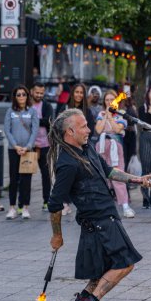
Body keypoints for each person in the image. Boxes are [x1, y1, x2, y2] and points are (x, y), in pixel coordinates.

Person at [47, 108, 151, 301]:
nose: (88, 130)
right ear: (70, 131)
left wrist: (136, 179)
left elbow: (108, 171)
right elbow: (54, 203)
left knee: (103, 269)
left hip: (106, 215)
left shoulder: (86, 148)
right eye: (84, 126)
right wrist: (57, 235)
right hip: (98, 221)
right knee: (125, 264)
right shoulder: (67, 163)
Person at [95, 90, 135, 218]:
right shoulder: (101, 114)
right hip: (101, 146)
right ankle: (103, 206)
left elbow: (118, 129)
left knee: (118, 175)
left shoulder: (121, 114)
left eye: (111, 100)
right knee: (102, 176)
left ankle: (125, 205)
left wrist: (111, 116)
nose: (109, 102)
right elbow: (98, 129)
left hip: (115, 147)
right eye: (107, 100)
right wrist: (106, 115)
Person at [4, 85, 39, 219]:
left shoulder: (32, 111)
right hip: (14, 150)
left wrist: (28, 146)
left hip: (27, 150)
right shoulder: (10, 111)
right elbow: (7, 130)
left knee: (26, 180)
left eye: (23, 94)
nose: (21, 97)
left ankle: (25, 207)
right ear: (15, 97)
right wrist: (15, 145)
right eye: (18, 94)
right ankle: (12, 207)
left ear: (27, 96)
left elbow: (35, 130)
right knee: (13, 179)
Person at [60, 83, 95, 216]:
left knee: (82, 176)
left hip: (82, 148)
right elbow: (59, 127)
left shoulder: (87, 111)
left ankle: (83, 204)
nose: (79, 95)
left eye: (81, 93)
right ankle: (65, 203)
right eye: (77, 92)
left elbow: (90, 130)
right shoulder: (65, 109)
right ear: (72, 93)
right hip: (67, 147)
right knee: (66, 175)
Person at [30, 82, 53, 211]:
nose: (39, 95)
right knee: (26, 175)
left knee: (46, 175)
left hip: (45, 145)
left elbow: (48, 120)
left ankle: (46, 201)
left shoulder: (47, 105)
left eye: (41, 93)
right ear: (32, 91)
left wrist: (31, 120)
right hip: (30, 145)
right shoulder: (27, 105)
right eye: (37, 92)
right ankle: (24, 204)